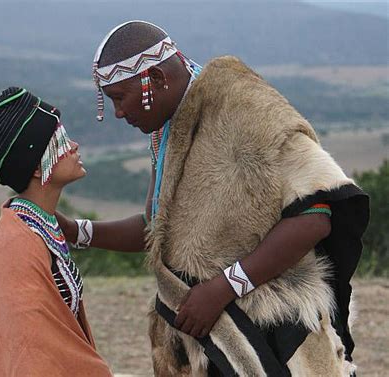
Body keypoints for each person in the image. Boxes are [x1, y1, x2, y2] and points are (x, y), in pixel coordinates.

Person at [57, 21, 369, 376]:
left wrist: (223, 288)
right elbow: (159, 229)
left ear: (156, 80)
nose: (118, 112)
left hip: (273, 335)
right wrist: (76, 231)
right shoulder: (170, 127)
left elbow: (314, 214)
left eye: (118, 98)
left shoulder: (247, 107)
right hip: (202, 342)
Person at [0, 87, 112, 376]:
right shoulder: (15, 243)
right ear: (34, 167)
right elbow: (31, 350)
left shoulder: (41, 225)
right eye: (62, 141)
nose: (75, 146)